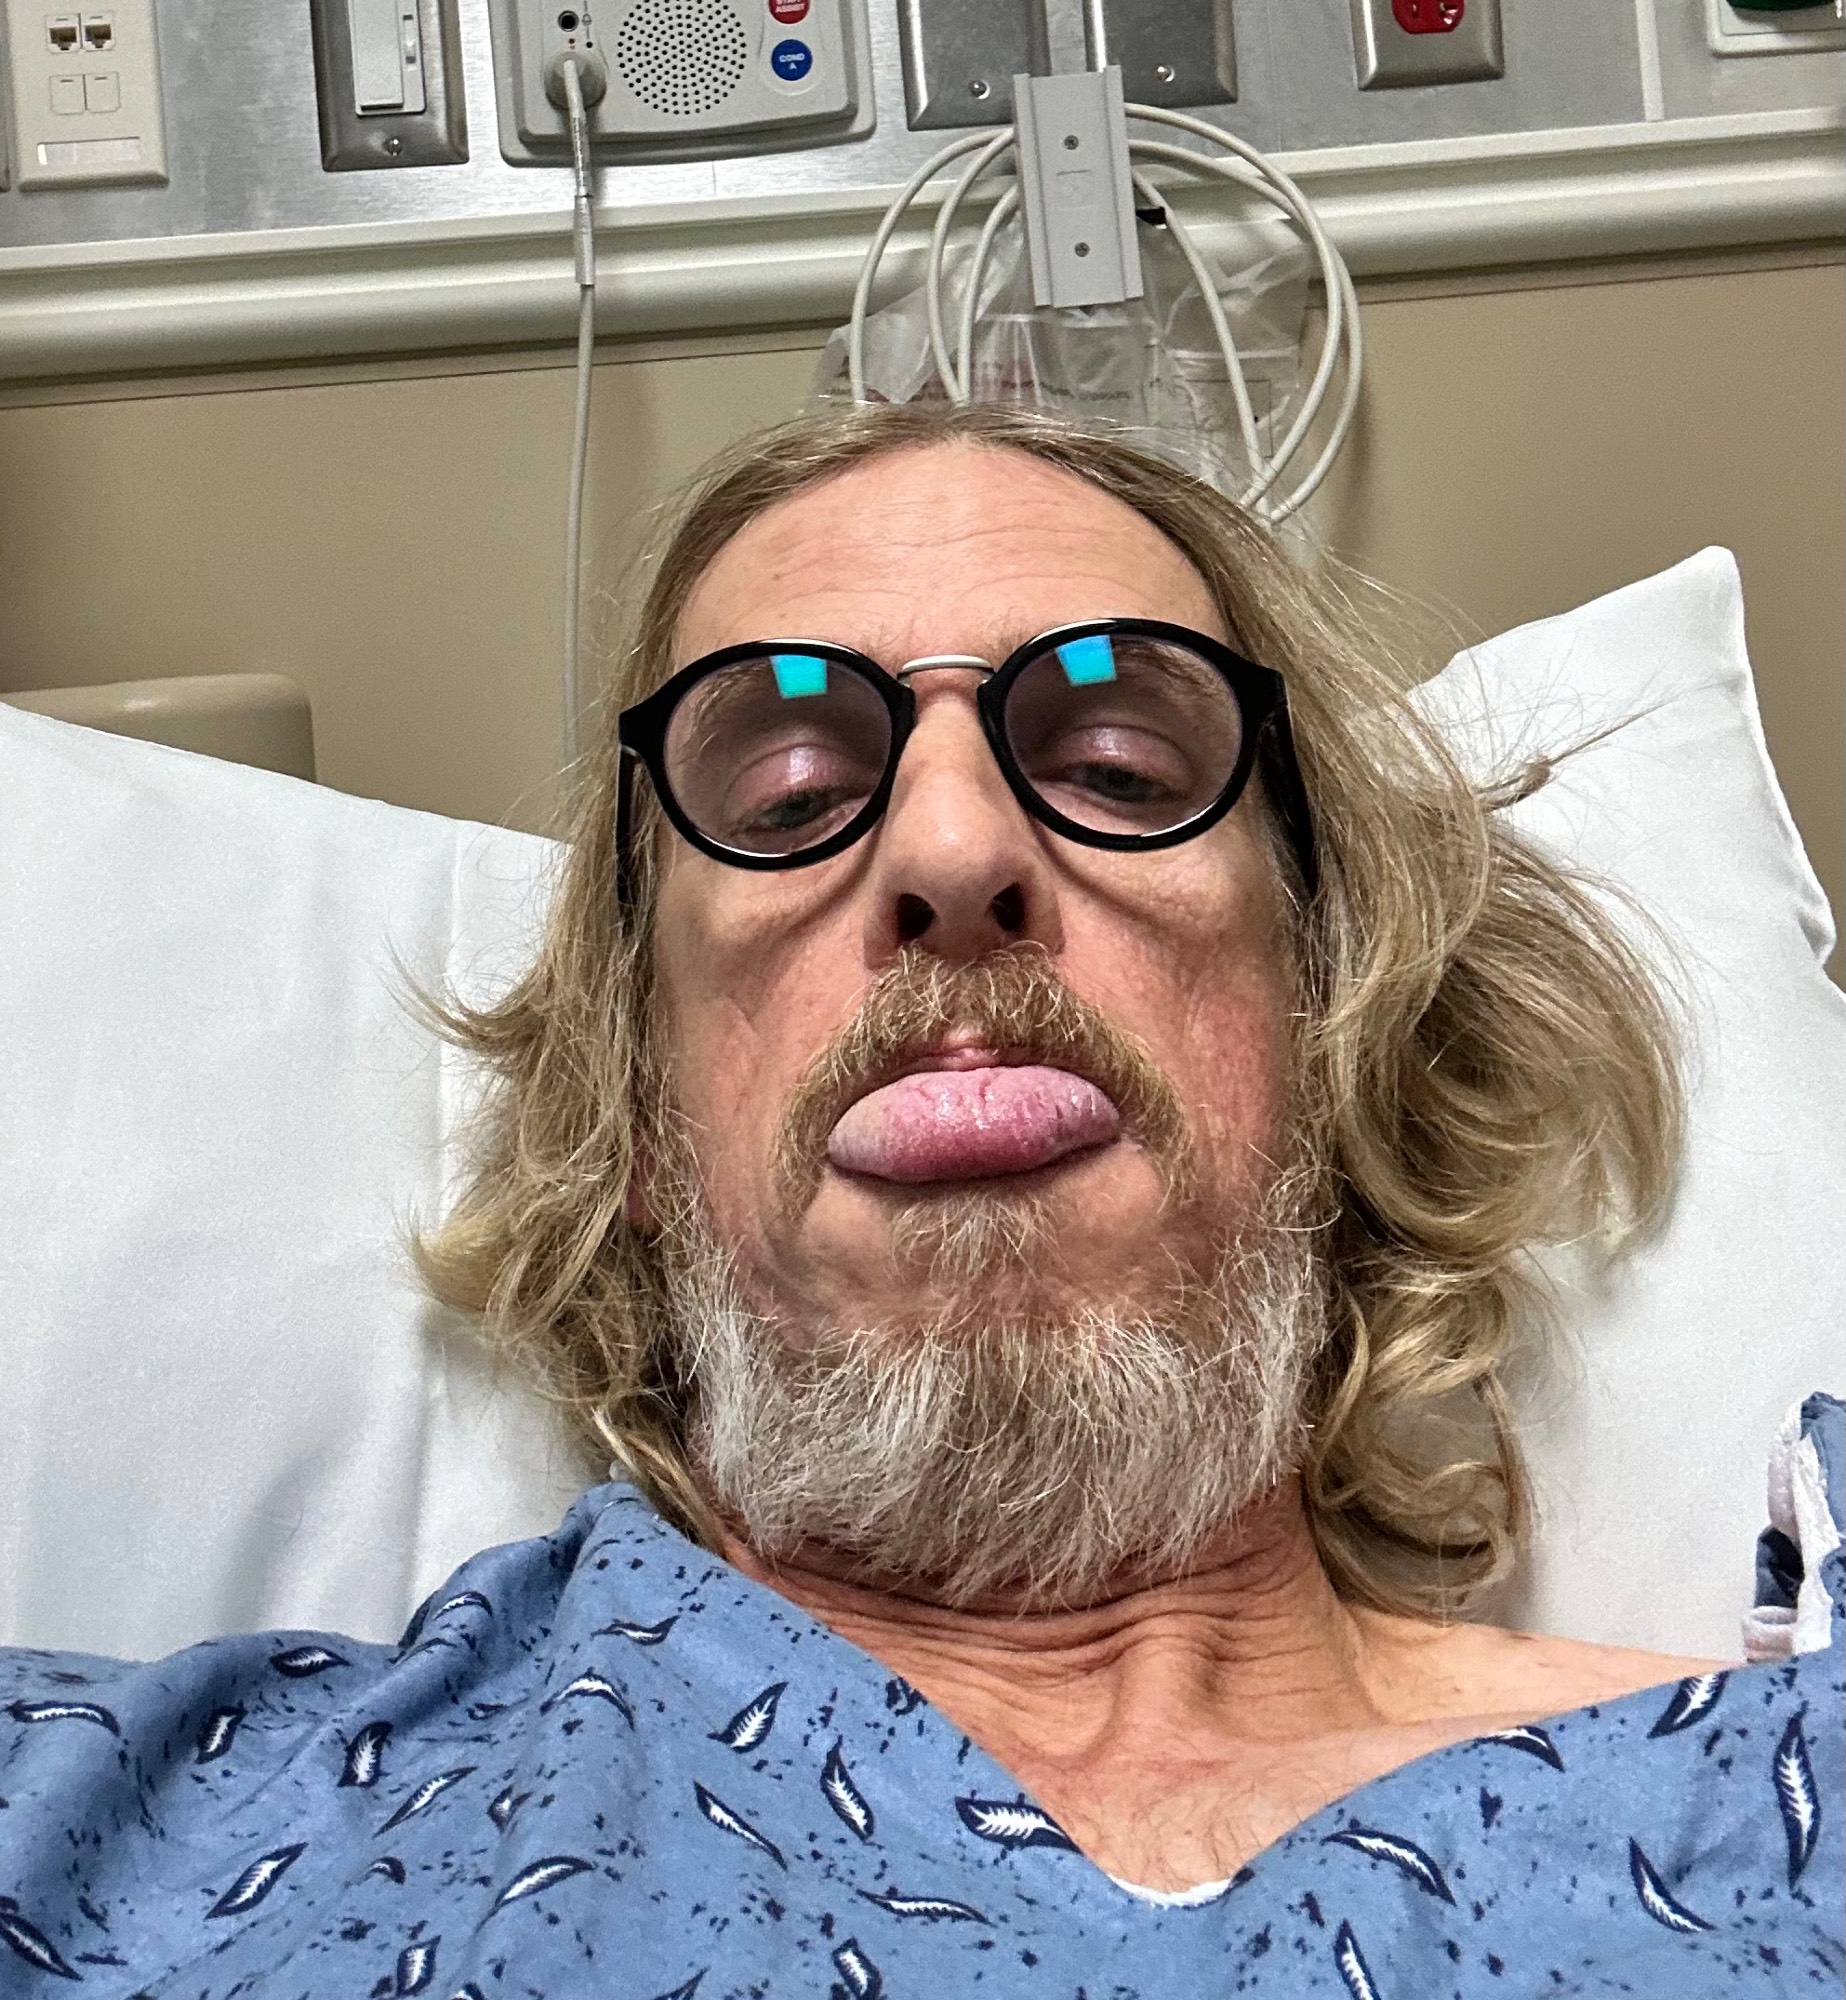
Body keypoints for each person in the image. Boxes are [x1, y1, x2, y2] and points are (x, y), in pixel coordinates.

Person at [0, 404, 1837, 1997]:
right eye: (791, 794)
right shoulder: (158, 1828)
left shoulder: (1786, 1794)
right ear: (636, 1121)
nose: (953, 851)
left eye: (1117, 767)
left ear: (1321, 1027)